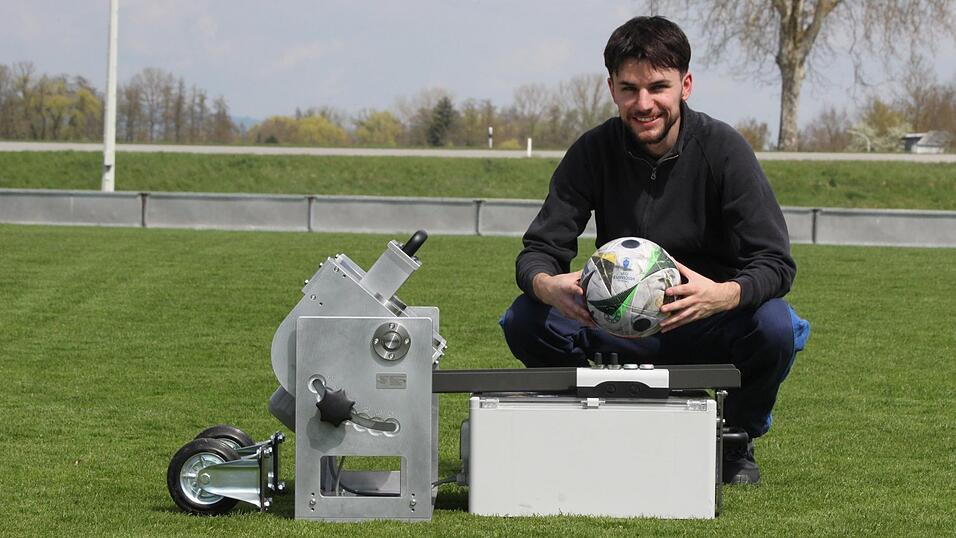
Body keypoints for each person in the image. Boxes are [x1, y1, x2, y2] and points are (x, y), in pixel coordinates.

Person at [499, 16, 810, 485]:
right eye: (629, 89)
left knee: (775, 326)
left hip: (705, 321)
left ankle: (734, 438)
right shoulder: (592, 151)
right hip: (615, 324)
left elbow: (775, 263)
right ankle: (590, 417)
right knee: (524, 319)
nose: (644, 104)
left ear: (685, 85)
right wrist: (548, 285)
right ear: (611, 89)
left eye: (658, 87)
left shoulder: (724, 150)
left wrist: (722, 295)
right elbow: (538, 251)